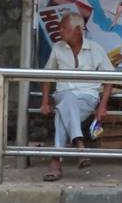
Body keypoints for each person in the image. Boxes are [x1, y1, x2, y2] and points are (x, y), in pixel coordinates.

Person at [39, 12, 114, 181]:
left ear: (79, 30)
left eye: (64, 28)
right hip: (63, 96)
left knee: (61, 113)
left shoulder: (95, 49)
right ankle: (79, 142)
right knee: (67, 98)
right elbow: (46, 75)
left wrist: (102, 106)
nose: (60, 31)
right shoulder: (58, 48)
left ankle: (56, 163)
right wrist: (44, 101)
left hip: (87, 99)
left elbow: (110, 79)